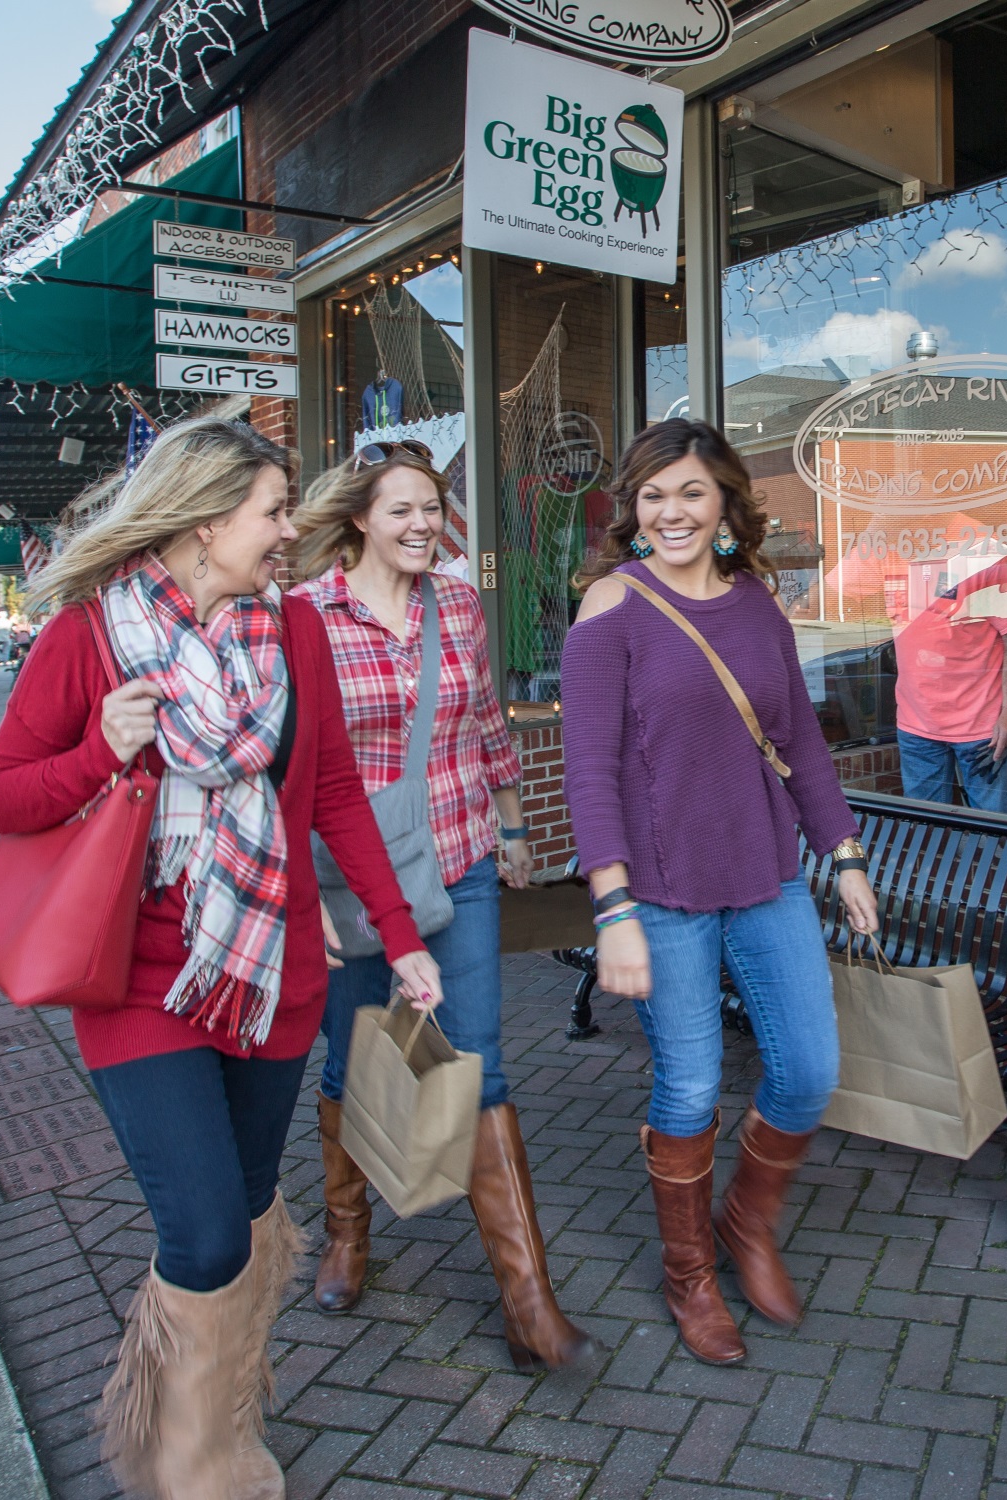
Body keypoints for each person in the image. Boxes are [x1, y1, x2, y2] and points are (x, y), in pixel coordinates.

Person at [0, 417, 442, 1500]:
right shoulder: (87, 637)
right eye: (275, 511)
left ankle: (219, 1427)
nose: (291, 530)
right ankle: (186, 1467)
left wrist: (402, 936)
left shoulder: (298, 635)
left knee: (240, 1214)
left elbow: (330, 797)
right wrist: (104, 747)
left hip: (272, 972)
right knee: (201, 1229)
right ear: (204, 519)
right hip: (137, 977)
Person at [561, 419, 880, 1367]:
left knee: (809, 1072)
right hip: (660, 893)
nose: (671, 512)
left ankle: (746, 1221)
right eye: (653, 495)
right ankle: (690, 1272)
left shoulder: (755, 607)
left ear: (725, 504)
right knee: (690, 1085)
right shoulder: (609, 608)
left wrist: (845, 852)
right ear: (633, 508)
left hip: (768, 875)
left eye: (691, 493)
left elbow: (804, 745)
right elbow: (589, 773)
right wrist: (613, 907)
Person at [288, 439, 592, 1371]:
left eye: (432, 508)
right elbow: (290, 763)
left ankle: (527, 1296)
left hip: (456, 857)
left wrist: (511, 826)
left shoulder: (457, 604)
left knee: (480, 1064)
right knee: (356, 1052)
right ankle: (349, 1231)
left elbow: (486, 721)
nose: (423, 525)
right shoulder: (305, 617)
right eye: (401, 510)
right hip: (350, 877)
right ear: (357, 522)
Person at [892, 547, 1007, 812]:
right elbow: (842, 589)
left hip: (982, 725)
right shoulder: (891, 548)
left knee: (997, 831)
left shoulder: (982, 550)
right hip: (916, 722)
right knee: (924, 830)